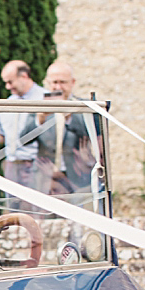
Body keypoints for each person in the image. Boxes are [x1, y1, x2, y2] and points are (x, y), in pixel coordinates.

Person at [0, 60, 45, 192]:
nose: (7, 87)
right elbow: (1, 138)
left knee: (37, 211)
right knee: (14, 209)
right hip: (12, 166)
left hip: (38, 166)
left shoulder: (46, 99)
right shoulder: (7, 103)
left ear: (24, 76)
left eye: (10, 82)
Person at [33, 62, 98, 195]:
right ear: (47, 83)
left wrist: (68, 115)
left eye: (63, 82)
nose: (58, 87)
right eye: (54, 82)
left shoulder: (84, 107)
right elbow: (22, 139)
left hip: (77, 177)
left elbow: (93, 134)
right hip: (46, 178)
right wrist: (40, 119)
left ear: (72, 82)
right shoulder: (37, 106)